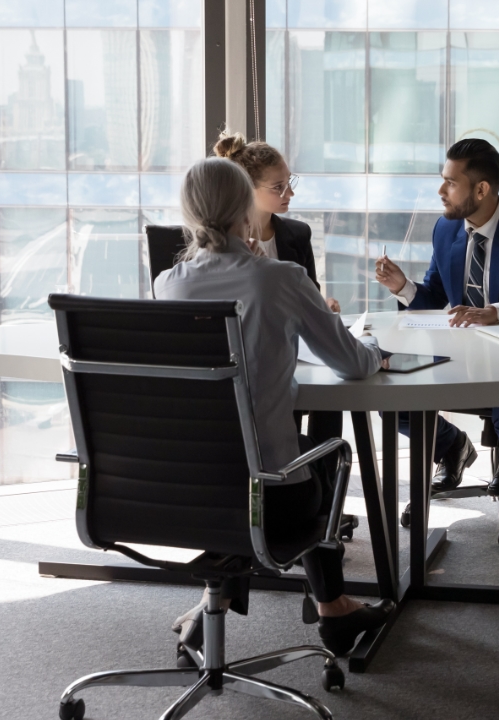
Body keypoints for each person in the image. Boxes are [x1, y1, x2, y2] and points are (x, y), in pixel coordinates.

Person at [154, 157, 393, 657]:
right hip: (273, 499)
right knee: (322, 454)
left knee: (259, 459)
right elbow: (352, 364)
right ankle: (334, 608)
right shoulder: (279, 278)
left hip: (185, 493)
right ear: (247, 208)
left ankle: (220, 602)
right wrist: (374, 348)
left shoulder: (168, 284)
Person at [374, 139, 499, 495]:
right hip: (458, 353)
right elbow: (435, 297)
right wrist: (403, 286)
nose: (441, 191)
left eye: (451, 183)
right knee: (392, 401)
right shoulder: (446, 229)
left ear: (481, 190)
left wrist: (495, 312)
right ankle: (452, 446)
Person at [213, 132, 345, 466]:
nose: (290, 193)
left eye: (290, 183)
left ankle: (324, 485)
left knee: (333, 387)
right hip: (251, 362)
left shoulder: (297, 234)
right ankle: (297, 476)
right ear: (246, 189)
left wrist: (321, 307)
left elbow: (309, 295)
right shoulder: (221, 246)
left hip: (298, 353)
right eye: (278, 187)